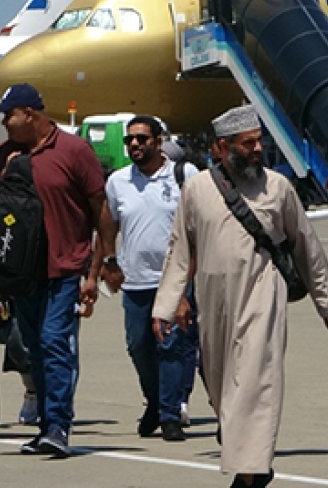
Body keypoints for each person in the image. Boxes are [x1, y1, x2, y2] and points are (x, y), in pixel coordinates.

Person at [152, 104, 328, 488]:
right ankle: (253, 463)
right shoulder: (197, 189)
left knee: (257, 382)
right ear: (222, 148)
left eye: (259, 142)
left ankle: (249, 475)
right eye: (248, 143)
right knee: (224, 385)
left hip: (263, 295)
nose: (257, 150)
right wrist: (168, 305)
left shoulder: (278, 187)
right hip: (214, 300)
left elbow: (306, 245)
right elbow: (180, 250)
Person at [0, 83, 105, 458]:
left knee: (55, 342)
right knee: (33, 348)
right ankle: (44, 426)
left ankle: (58, 425)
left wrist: (98, 268)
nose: (4, 123)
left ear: (31, 114)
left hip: (65, 267)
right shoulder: (7, 154)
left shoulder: (74, 151)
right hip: (24, 272)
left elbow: (101, 209)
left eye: (9, 115)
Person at [92, 115, 199, 442]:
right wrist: (107, 262)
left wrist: (189, 277)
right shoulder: (118, 181)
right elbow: (107, 223)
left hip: (173, 279)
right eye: (130, 140)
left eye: (142, 139)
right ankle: (154, 401)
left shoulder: (185, 175)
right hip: (135, 280)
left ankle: (169, 415)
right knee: (139, 346)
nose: (134, 145)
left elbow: (198, 227)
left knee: (170, 346)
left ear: (158, 141)